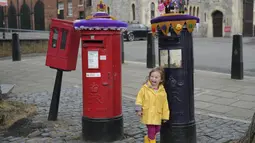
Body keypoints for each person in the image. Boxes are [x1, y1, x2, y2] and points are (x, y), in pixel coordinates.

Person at [135, 67, 170, 143]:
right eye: (152, 76)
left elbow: (165, 104)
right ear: (149, 77)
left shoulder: (162, 91)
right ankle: (151, 140)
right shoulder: (144, 88)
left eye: (156, 77)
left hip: (157, 114)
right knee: (151, 130)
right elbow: (139, 98)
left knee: (157, 129)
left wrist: (165, 116)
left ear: (161, 80)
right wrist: (138, 109)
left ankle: (147, 138)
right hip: (148, 114)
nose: (153, 79)